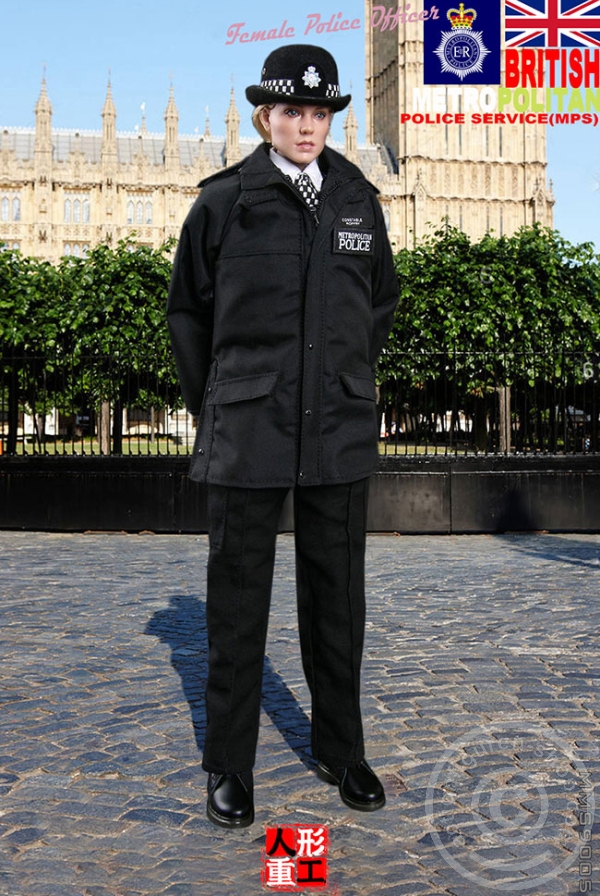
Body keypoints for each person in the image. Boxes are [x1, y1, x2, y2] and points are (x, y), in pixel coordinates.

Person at [167, 44, 399, 829]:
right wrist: (218, 400)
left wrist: (346, 377)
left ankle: (342, 748)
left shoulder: (360, 198)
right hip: (249, 428)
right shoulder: (228, 200)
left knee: (339, 602)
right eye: (292, 111)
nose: (307, 124)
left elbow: (380, 304)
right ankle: (229, 764)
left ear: (334, 116)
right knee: (237, 608)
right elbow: (186, 310)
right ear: (265, 115)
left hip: (335, 426)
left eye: (320, 111)